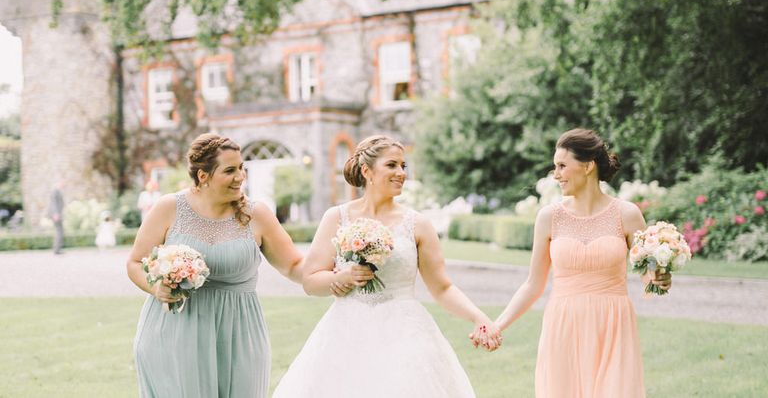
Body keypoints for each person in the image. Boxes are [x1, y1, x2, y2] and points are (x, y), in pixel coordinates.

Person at [273, 134, 501, 398]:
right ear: (367, 171)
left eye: (403, 166)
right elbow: (311, 282)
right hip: (346, 335)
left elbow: (442, 288)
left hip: (404, 333)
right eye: (392, 165)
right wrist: (344, 277)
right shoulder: (336, 217)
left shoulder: (418, 224)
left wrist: (478, 316)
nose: (401, 173)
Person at [488, 128, 671, 397]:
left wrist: (660, 278)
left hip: (612, 324)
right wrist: (497, 325)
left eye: (562, 165)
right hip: (563, 325)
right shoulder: (549, 217)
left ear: (587, 166)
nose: (556, 174)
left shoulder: (627, 214)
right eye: (555, 167)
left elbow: (649, 273)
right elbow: (533, 284)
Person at [127, 133, 305, 398]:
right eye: (230, 170)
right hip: (175, 331)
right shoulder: (169, 208)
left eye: (242, 168)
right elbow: (134, 262)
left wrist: (333, 274)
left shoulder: (257, 215)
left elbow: (294, 265)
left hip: (239, 334)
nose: (241, 176)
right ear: (203, 176)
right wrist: (157, 288)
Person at [47, 180, 65, 254]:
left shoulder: (57, 191)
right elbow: (54, 203)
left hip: (57, 214)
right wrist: (56, 213)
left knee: (60, 231)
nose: (63, 185)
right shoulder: (55, 191)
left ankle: (57, 249)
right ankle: (56, 250)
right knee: (59, 231)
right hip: (56, 214)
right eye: (62, 183)